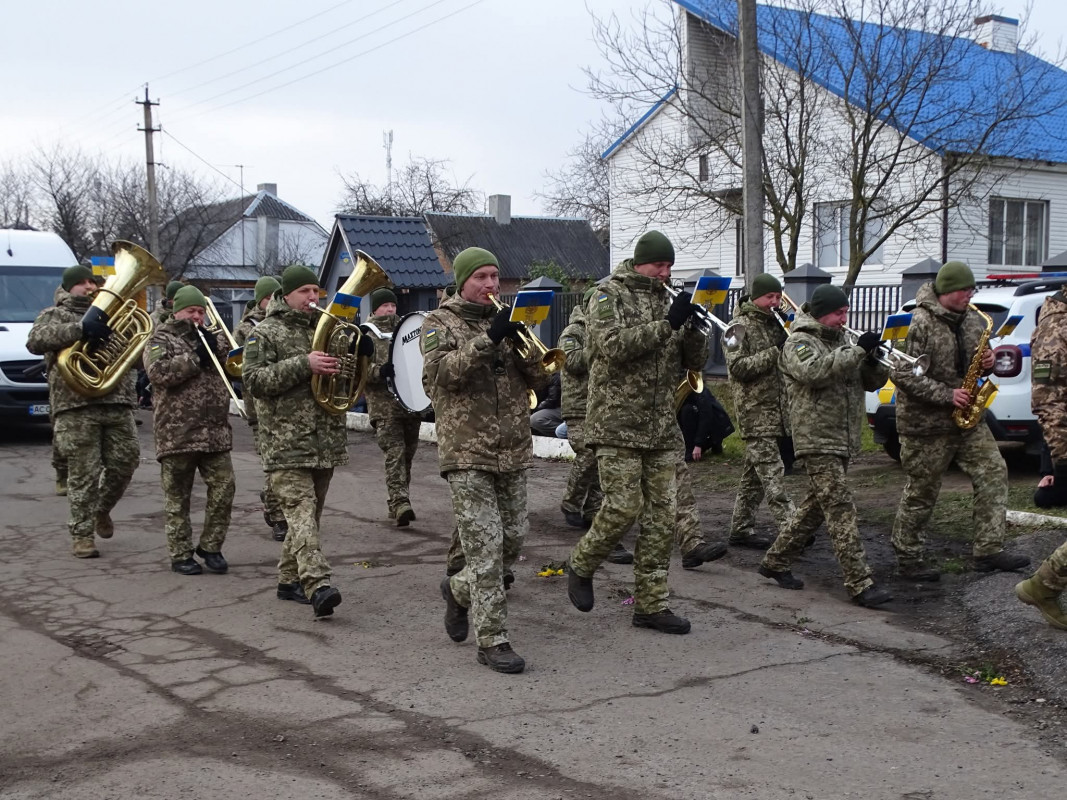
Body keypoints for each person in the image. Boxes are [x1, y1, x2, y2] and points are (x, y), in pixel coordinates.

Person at [566, 230, 709, 634]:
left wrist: (696, 331)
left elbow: (692, 362)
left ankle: (651, 604)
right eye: (659, 266)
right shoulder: (606, 295)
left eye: (670, 266)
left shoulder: (668, 299)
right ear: (640, 262)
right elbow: (612, 346)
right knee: (622, 506)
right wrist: (668, 324)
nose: (665, 273)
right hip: (616, 423)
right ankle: (582, 562)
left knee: (662, 518)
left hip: (662, 425)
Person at [425, 246, 546, 674]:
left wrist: (523, 344)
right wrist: (489, 338)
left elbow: (541, 378)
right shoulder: (438, 322)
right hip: (467, 451)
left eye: (496, 277)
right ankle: (493, 640)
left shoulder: (509, 320)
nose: (492, 285)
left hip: (512, 448)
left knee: (514, 538)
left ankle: (457, 591)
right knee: (486, 547)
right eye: (482, 277)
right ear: (463, 282)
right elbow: (441, 376)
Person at [890, 261, 1029, 580]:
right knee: (922, 490)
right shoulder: (920, 322)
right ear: (946, 291)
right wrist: (946, 395)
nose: (970, 295)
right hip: (925, 424)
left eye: (971, 290)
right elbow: (900, 372)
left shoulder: (975, 320)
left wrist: (989, 364)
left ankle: (989, 550)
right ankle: (908, 559)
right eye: (964, 290)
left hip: (967, 419)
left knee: (994, 470)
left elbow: (980, 363)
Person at [757, 284, 893, 607]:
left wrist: (874, 359)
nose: (844, 318)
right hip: (815, 438)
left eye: (846, 312)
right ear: (821, 314)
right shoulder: (799, 341)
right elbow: (815, 372)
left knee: (815, 507)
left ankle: (775, 560)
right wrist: (858, 351)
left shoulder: (844, 341)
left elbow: (873, 383)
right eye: (838, 313)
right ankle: (860, 582)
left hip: (842, 437)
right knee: (840, 506)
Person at [243, 264, 362, 618]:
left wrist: (359, 355)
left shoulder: (326, 330)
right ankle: (317, 584)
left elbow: (342, 383)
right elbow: (253, 381)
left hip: (324, 439)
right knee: (302, 514)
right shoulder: (264, 332)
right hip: (285, 441)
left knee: (309, 517)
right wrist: (303, 364)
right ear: (287, 295)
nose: (313, 298)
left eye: (316, 292)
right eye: (305, 292)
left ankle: (288, 580)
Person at [26, 265, 140, 558]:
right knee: (83, 474)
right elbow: (35, 340)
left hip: (116, 401)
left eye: (93, 282)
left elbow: (134, 357)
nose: (90, 287)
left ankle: (101, 511)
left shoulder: (112, 313)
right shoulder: (53, 314)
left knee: (126, 463)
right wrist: (80, 329)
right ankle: (82, 534)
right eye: (83, 283)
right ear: (69, 287)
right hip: (75, 405)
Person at [144, 286, 235, 575]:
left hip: (215, 432)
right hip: (177, 433)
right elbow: (159, 373)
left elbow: (236, 366)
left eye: (200, 311)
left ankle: (211, 546)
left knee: (225, 488)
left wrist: (216, 346)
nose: (197, 316)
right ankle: (180, 553)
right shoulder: (160, 338)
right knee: (177, 497)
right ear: (177, 311)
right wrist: (195, 356)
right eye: (191, 311)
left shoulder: (212, 339)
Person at [726, 274, 794, 551]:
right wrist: (775, 352)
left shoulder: (775, 324)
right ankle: (793, 528)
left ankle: (740, 528)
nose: (775, 302)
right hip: (754, 411)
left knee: (753, 476)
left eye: (778, 297)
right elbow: (739, 367)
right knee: (773, 473)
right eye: (770, 297)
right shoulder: (737, 327)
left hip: (775, 410)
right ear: (756, 297)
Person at [1016, 287, 1067, 629]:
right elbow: (1048, 400)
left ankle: (1042, 586)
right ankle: (1042, 586)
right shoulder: (1057, 325)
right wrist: (1060, 461)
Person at [234, 276, 287, 542]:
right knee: (272, 463)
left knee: (281, 463)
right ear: (261, 300)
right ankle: (278, 517)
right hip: (258, 408)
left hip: (285, 406)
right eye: (270, 298)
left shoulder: (285, 323)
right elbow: (244, 369)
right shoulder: (247, 328)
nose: (273, 302)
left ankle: (272, 500)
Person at [364, 286, 421, 526]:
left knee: (407, 456)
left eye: (393, 305)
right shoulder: (366, 335)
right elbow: (358, 372)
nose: (390, 309)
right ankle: (400, 503)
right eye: (385, 305)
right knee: (395, 454)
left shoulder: (407, 330)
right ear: (375, 308)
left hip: (410, 405)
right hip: (383, 408)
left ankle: (397, 500)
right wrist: (379, 371)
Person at [558, 288, 602, 529]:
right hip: (578, 407)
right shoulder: (574, 331)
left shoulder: (603, 328)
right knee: (587, 453)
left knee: (601, 457)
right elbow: (571, 362)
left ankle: (594, 510)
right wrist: (598, 347)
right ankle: (571, 503)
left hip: (599, 405)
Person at [677, 384, 734, 460]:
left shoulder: (700, 391)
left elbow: (706, 417)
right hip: (699, 423)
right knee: (685, 410)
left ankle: (714, 441)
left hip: (715, 425)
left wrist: (698, 445)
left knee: (687, 411)